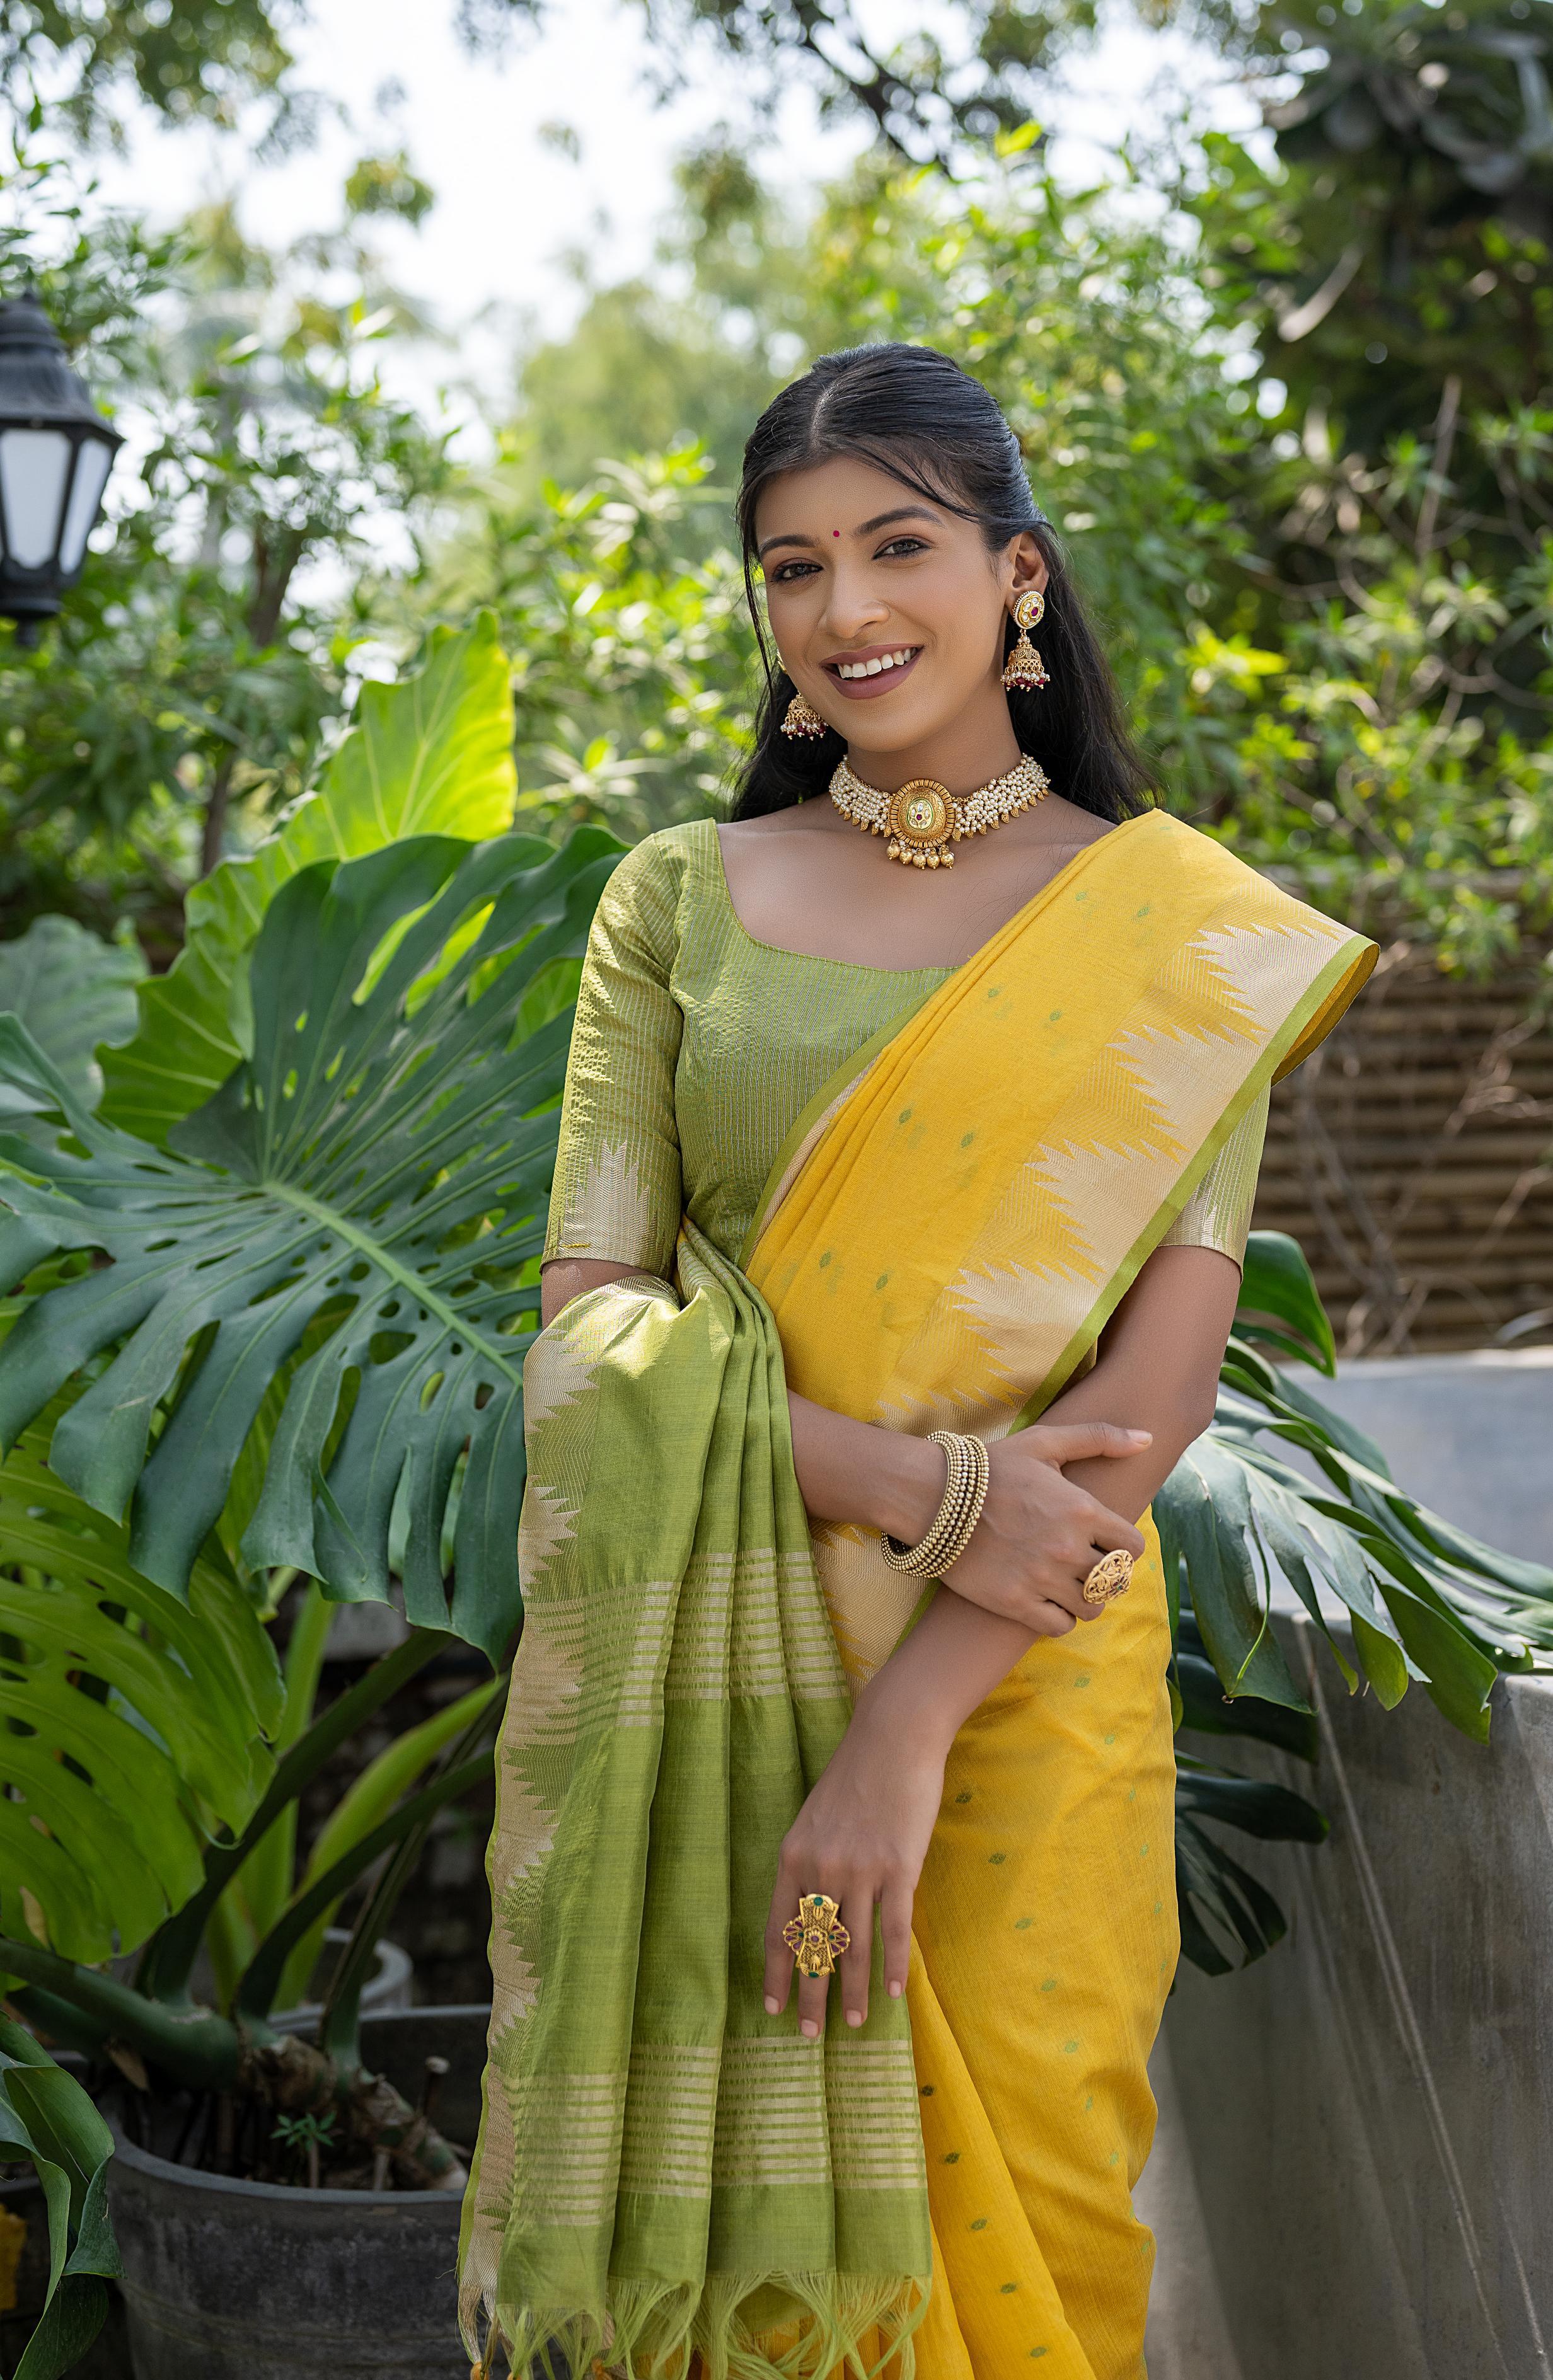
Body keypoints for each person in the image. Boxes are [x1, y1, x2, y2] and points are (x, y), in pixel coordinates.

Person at [460, 343, 1374, 2380]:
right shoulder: (675, 905)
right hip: (721, 1657)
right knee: (736, 2268)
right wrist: (919, 1485)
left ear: (1016, 576)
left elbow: (1152, 1391)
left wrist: (906, 1730)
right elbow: (586, 1330)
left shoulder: (1173, 934)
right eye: (793, 567)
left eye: (897, 546)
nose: (848, 608)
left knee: (1025, 2246)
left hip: (1025, 1697)